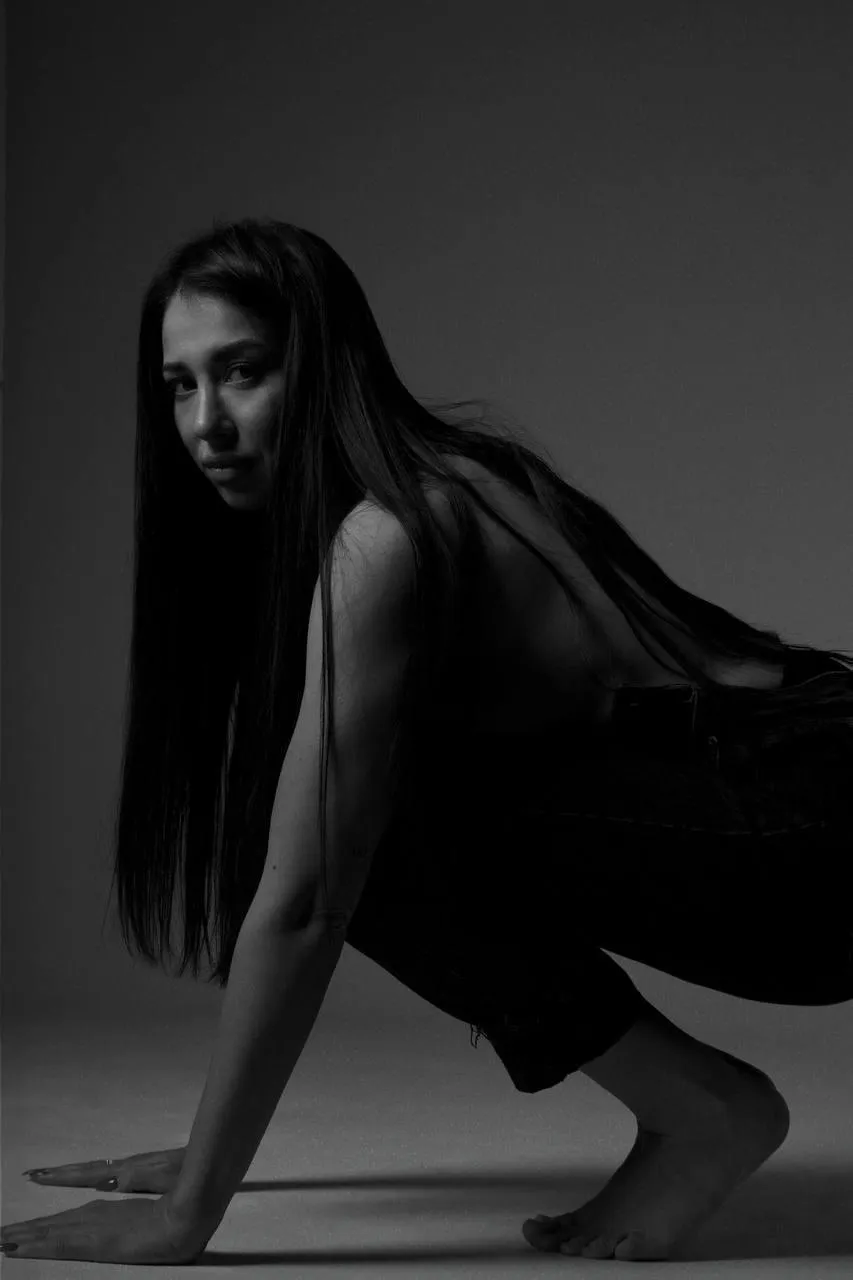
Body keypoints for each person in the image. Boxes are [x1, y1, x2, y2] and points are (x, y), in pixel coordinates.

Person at [4, 218, 853, 1265]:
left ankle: (702, 1110)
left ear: (318, 367)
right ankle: (702, 1107)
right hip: (807, 790)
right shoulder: (433, 478)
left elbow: (311, 896)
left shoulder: (390, 533)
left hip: (811, 823)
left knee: (356, 821)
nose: (206, 423)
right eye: (179, 385)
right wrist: (204, 1150)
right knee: (337, 799)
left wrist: (193, 1210)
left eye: (243, 372)